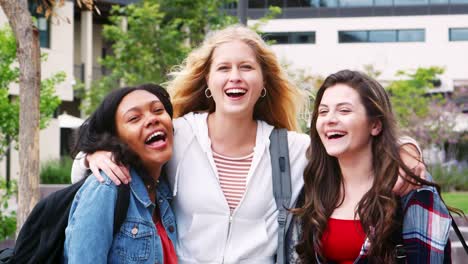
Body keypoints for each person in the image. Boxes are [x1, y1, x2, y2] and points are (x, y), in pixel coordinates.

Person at [71, 25, 424, 263]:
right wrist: (93, 155)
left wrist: (408, 149)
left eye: (246, 68)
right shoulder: (177, 134)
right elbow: (103, 149)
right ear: (208, 80)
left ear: (262, 82)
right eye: (224, 68)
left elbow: (358, 142)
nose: (235, 77)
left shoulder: (293, 149)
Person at [286, 70, 454, 263]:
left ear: (375, 125)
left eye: (344, 110)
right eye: (323, 112)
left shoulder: (410, 185)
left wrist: (407, 151)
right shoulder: (314, 185)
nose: (330, 119)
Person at [63, 84, 178, 264]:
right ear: (115, 138)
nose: (151, 119)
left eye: (158, 110)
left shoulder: (164, 188)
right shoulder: (106, 188)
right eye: (134, 118)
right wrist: (89, 156)